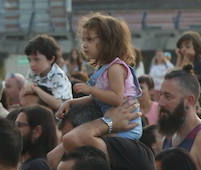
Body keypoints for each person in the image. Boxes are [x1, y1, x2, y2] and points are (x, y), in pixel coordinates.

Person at [59, 14, 142, 142]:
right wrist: (71, 103)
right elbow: (97, 98)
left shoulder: (115, 68)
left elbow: (117, 99)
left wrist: (91, 89)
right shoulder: (105, 68)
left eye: (90, 40)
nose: (84, 45)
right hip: (113, 125)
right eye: (83, 40)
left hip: (126, 130)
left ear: (108, 41)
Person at [23, 34, 73, 111]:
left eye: (37, 59)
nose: (32, 64)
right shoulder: (33, 72)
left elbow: (58, 104)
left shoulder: (58, 76)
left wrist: (36, 89)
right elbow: (25, 92)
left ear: (51, 59)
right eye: (29, 60)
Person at [14, 106, 59, 170]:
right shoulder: (29, 164)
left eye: (20, 125)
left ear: (37, 131)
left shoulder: (38, 166)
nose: (14, 130)